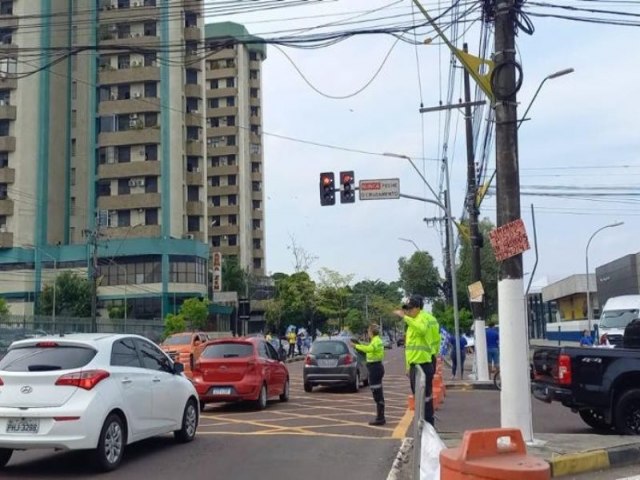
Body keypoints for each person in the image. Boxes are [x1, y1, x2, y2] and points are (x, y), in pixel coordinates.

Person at [393, 294, 439, 427]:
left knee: (424, 397)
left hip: (423, 363)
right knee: (419, 397)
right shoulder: (415, 321)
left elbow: (423, 331)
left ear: (418, 308)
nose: (408, 311)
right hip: (417, 363)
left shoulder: (422, 318)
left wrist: (405, 317)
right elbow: (409, 348)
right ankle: (424, 424)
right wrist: (408, 366)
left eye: (410, 308)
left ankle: (427, 425)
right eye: (406, 309)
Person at [351, 324, 386, 425]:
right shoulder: (377, 340)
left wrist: (356, 346)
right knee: (378, 393)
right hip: (376, 367)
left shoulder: (376, 341)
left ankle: (380, 418)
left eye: (369, 332)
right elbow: (368, 347)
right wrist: (359, 344)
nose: (368, 334)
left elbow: (368, 349)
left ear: (371, 332)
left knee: (377, 393)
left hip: (375, 368)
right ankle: (380, 416)